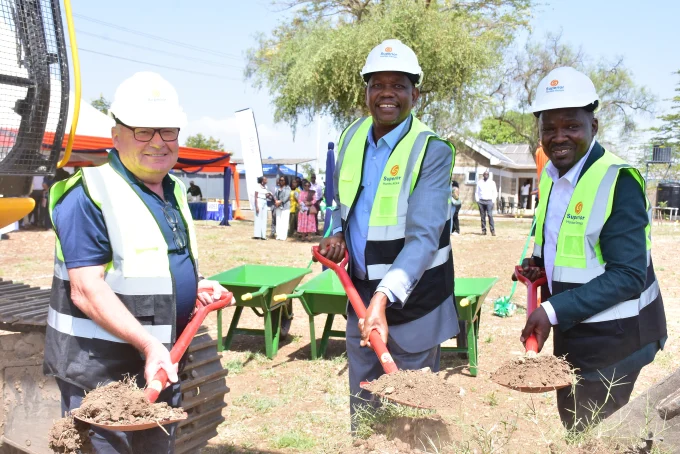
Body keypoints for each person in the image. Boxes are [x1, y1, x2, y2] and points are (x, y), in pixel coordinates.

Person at [43, 72, 232, 451]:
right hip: (100, 377)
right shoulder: (89, 194)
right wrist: (149, 346)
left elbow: (154, 263)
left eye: (168, 131)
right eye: (144, 131)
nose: (158, 143)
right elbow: (86, 289)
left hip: (158, 367)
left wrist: (195, 285)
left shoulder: (172, 189)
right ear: (117, 136)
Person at [316, 39, 458, 426]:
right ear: (366, 91)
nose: (387, 94)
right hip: (361, 299)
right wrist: (337, 233)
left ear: (416, 93)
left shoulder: (432, 150)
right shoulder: (350, 137)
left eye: (398, 85)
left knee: (408, 418)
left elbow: (425, 237)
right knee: (364, 409)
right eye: (377, 84)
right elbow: (343, 203)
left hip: (415, 302)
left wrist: (383, 296)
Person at [517, 67, 666, 431]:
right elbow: (559, 242)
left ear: (594, 126)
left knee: (592, 433)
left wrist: (550, 311)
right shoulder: (553, 176)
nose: (558, 136)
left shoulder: (618, 180)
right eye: (548, 128)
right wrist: (538, 264)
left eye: (571, 125)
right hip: (575, 329)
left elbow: (628, 275)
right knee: (573, 422)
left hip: (615, 337)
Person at [475, 170, 497, 236]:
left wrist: (493, 201)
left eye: (487, 174)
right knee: (482, 216)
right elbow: (477, 192)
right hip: (481, 201)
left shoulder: (492, 183)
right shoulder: (479, 182)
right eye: (485, 174)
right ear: (483, 175)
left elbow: (495, 192)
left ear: (488, 175)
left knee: (490, 215)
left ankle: (492, 231)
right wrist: (477, 200)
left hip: (489, 201)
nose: (486, 175)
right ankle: (483, 230)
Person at [274, 176, 291, 241]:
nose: (281, 181)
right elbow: (275, 195)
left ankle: (283, 236)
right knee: (278, 220)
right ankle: (278, 235)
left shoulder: (287, 188)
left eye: (283, 180)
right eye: (280, 180)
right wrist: (275, 201)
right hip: (278, 206)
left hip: (285, 206)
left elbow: (286, 197)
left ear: (285, 181)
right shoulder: (278, 188)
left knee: (284, 221)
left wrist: (280, 202)